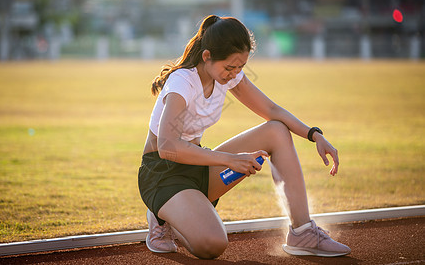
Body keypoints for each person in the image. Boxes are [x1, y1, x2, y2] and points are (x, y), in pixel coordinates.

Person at [138, 15, 351, 259]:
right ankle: (162, 216)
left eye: (240, 67)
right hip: (162, 175)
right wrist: (230, 160)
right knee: (213, 245)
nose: (235, 74)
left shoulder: (228, 76)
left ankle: (302, 232)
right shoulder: (183, 82)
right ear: (207, 56)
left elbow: (272, 110)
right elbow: (167, 147)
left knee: (276, 130)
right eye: (229, 67)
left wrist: (315, 135)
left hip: (197, 169)